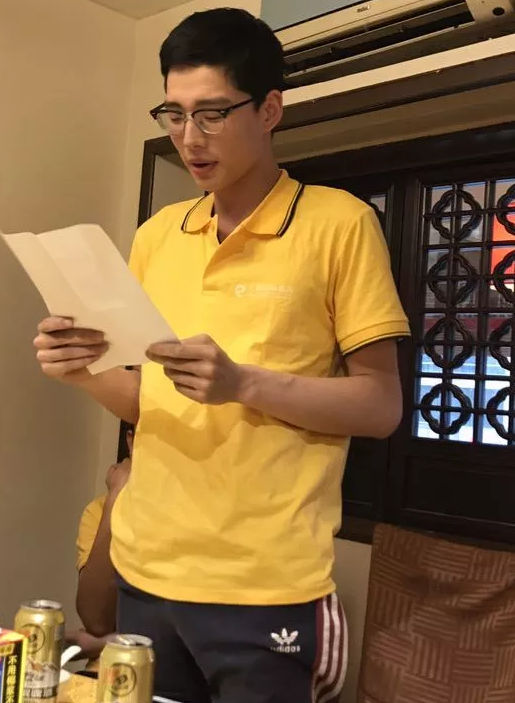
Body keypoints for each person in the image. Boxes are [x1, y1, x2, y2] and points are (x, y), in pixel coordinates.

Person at [33, 8, 410, 703]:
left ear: (269, 110)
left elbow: (381, 405)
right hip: (145, 568)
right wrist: (83, 371)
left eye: (211, 114)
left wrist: (244, 382)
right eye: (173, 114)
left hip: (263, 584)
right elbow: (151, 401)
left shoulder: (339, 223)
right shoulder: (157, 234)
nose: (188, 137)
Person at [66, 430, 133, 668]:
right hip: (103, 675)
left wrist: (103, 644)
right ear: (131, 441)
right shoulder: (99, 510)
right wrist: (116, 499)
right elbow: (96, 620)